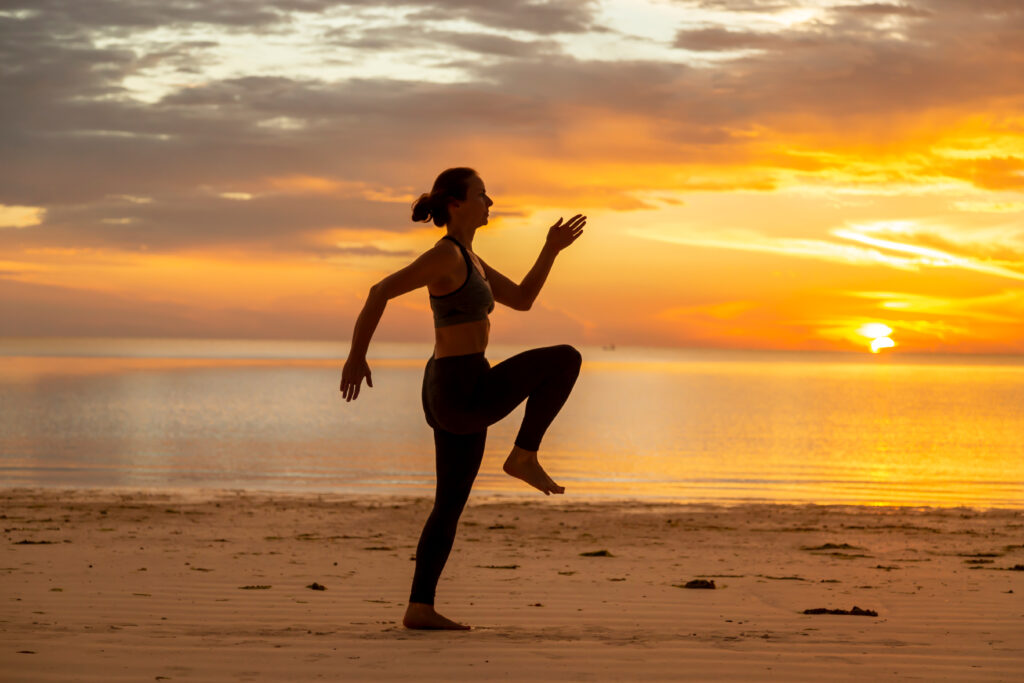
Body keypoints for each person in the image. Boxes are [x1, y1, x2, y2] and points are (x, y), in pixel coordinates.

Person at [339, 167, 585, 630]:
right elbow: (380, 291)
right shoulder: (446, 257)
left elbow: (524, 299)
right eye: (482, 195)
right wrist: (356, 356)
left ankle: (419, 607)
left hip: (458, 383)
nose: (489, 202)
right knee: (565, 358)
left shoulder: (472, 259)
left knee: (448, 504)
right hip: (457, 386)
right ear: (456, 203)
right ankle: (524, 456)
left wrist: (550, 250)